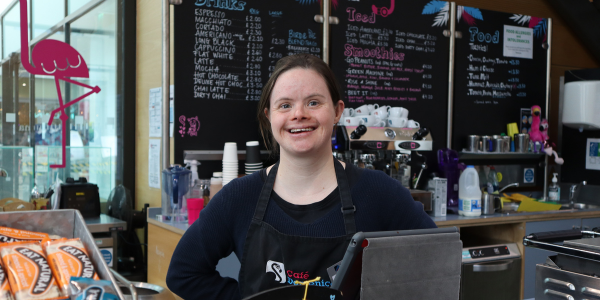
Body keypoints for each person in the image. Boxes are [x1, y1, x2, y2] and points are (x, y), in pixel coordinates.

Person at [166, 54, 436, 299]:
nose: (299, 114)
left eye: (314, 102)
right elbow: (183, 274)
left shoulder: (380, 194)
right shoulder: (239, 197)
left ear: (337, 111)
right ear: (269, 117)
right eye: (285, 105)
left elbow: (438, 264)